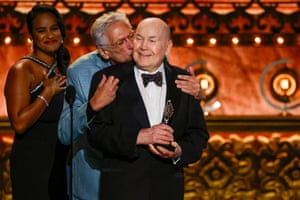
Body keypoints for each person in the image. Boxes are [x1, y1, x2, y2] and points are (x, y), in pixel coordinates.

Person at [58, 12, 203, 200]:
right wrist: (92, 105)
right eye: (120, 42)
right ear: (104, 51)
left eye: (131, 36)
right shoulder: (81, 72)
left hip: (160, 182)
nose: (132, 45)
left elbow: (192, 126)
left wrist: (198, 94)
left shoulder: (159, 62)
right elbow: (67, 133)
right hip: (99, 177)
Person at [4, 4, 70, 200]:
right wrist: (47, 92)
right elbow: (19, 123)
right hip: (33, 164)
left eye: (54, 28)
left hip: (61, 162)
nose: (49, 35)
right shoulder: (23, 69)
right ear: (31, 35)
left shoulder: (65, 68)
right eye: (41, 30)